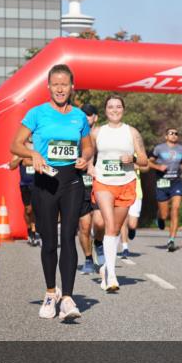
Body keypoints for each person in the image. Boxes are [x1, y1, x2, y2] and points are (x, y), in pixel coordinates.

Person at [11, 64, 94, 321]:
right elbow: (15, 143)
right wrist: (33, 153)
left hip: (71, 182)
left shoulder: (79, 116)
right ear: (48, 86)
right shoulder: (36, 114)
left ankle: (68, 297)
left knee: (69, 236)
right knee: (49, 241)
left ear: (72, 87)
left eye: (64, 84)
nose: (60, 88)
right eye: (55, 84)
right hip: (45, 182)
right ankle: (50, 293)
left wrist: (85, 157)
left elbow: (88, 145)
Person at [90, 95, 148, 292]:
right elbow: (87, 153)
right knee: (109, 224)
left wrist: (131, 158)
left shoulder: (131, 132)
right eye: (110, 107)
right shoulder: (97, 132)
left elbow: (144, 160)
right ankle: (112, 275)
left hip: (126, 183)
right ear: (105, 110)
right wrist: (89, 167)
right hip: (103, 182)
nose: (114, 110)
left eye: (118, 107)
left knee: (114, 230)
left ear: (123, 109)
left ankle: (106, 267)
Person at [150, 127, 182, 252]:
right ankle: (160, 217)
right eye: (171, 133)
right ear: (166, 136)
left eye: (176, 134)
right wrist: (158, 166)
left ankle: (171, 240)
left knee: (176, 208)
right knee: (164, 214)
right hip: (162, 181)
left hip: (176, 182)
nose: (174, 135)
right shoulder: (159, 148)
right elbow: (148, 162)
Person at [77, 104, 100, 273]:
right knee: (84, 226)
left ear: (95, 118)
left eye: (89, 115)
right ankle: (88, 258)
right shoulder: (74, 135)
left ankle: (99, 243)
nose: (86, 118)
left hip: (101, 184)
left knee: (100, 223)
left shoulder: (104, 135)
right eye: (83, 115)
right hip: (81, 184)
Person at [8, 151, 39, 246]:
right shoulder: (20, 151)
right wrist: (20, 159)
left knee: (35, 208)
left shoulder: (38, 148)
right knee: (28, 210)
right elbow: (11, 166)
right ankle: (29, 229)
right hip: (25, 185)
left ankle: (34, 233)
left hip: (38, 184)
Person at [119, 164, 146, 258]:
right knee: (123, 221)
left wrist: (137, 166)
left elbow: (146, 167)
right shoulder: (117, 153)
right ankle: (125, 248)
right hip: (121, 191)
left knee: (132, 224)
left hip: (136, 192)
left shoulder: (137, 154)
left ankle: (132, 229)